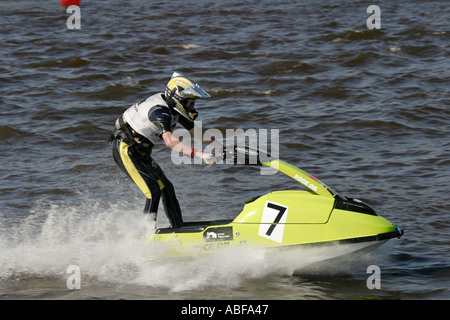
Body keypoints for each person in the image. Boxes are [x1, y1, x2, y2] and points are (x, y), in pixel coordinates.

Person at [109, 72, 216, 228]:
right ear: (178, 99)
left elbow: (199, 134)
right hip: (126, 150)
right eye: (190, 102)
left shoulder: (175, 107)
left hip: (141, 153)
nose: (192, 106)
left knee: (167, 188)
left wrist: (222, 147)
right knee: (153, 192)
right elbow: (170, 142)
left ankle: (178, 229)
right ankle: (147, 235)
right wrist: (200, 155)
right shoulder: (160, 112)